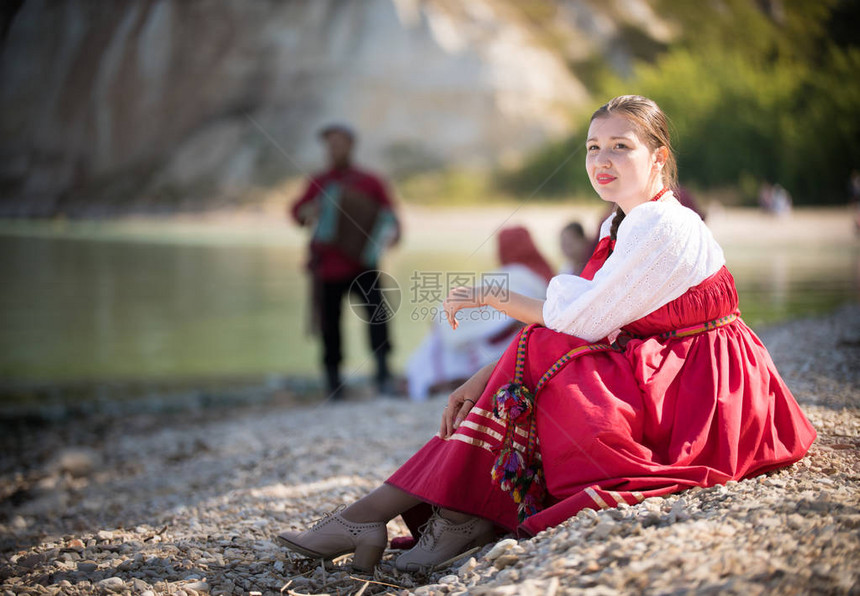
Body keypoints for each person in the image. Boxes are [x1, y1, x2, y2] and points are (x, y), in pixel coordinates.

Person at [277, 96, 816, 574]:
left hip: (709, 390)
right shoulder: (621, 223)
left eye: (620, 147)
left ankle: (384, 516)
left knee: (548, 349)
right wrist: (481, 376)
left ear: (658, 158)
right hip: (670, 366)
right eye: (592, 147)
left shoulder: (664, 227)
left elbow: (579, 322)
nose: (601, 161)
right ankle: (425, 516)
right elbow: (578, 315)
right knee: (542, 350)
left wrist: (488, 296)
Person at [291, 123, 401, 399]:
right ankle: (333, 383)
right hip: (327, 268)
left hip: (363, 266)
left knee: (378, 318)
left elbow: (391, 219)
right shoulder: (319, 182)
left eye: (340, 143)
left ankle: (383, 375)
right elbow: (296, 213)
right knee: (330, 326)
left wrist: (390, 235)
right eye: (330, 144)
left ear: (351, 146)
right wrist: (311, 211)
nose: (335, 148)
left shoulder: (370, 181)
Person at [405, 226, 553, 401]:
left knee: (442, 346)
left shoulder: (511, 274)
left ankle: (431, 380)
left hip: (493, 329)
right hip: (522, 331)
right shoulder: (542, 275)